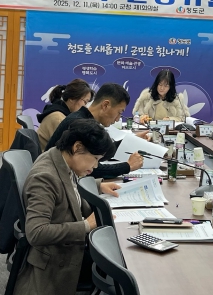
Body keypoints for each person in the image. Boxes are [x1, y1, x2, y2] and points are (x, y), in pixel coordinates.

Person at [13, 118, 121, 295]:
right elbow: (36, 232)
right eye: (95, 159)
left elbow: (69, 186)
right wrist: (86, 225)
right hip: (58, 261)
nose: (95, 166)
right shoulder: (45, 178)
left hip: (69, 248)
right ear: (77, 147)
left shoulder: (60, 158)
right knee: (122, 266)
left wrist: (98, 185)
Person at [45, 83, 144, 179]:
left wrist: (130, 141)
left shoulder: (83, 118)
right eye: (119, 112)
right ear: (105, 105)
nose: (118, 119)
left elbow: (102, 151)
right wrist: (127, 166)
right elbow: (90, 169)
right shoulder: (79, 124)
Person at [36, 79, 95, 151]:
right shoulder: (58, 118)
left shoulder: (60, 113)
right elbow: (65, 149)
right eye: (85, 102)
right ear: (72, 98)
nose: (85, 107)